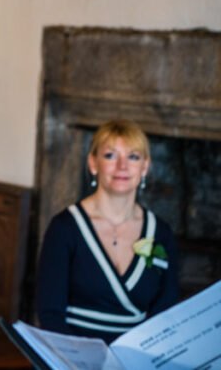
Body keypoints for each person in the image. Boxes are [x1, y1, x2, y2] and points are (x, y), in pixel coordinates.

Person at [36, 120, 180, 342]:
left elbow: (165, 313)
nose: (122, 166)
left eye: (133, 157)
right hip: (72, 358)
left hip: (135, 360)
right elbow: (50, 313)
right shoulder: (65, 228)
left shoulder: (161, 233)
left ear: (145, 167)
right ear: (93, 163)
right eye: (110, 156)